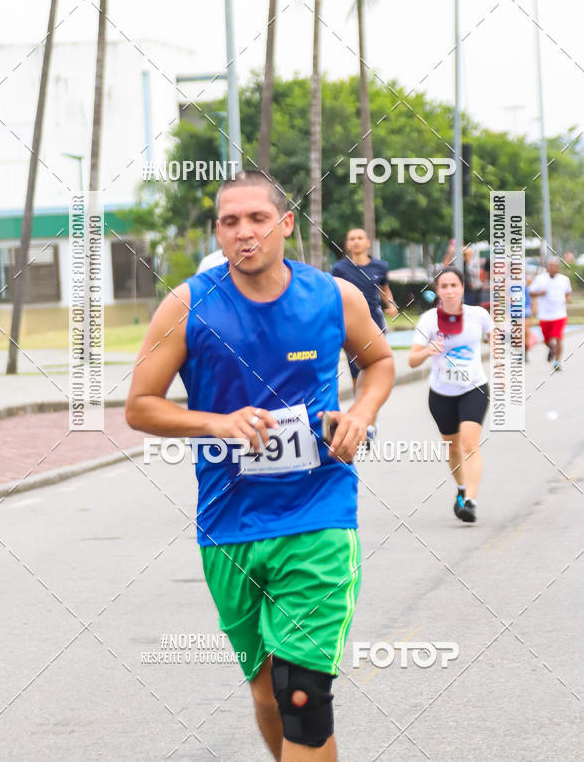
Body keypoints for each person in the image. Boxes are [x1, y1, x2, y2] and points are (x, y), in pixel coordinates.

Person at [125, 170, 395, 761]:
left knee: (302, 696)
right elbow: (139, 407)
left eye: (257, 219)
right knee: (267, 690)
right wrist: (215, 423)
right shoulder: (189, 304)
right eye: (230, 222)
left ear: (285, 223)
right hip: (229, 524)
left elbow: (378, 363)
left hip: (318, 512)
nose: (245, 232)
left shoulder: (334, 296)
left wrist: (361, 412)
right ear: (218, 232)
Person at [407, 267, 492, 524]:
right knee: (453, 447)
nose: (450, 290)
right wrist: (427, 351)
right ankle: (462, 489)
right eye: (444, 286)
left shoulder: (478, 315)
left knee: (469, 444)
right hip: (441, 393)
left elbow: (496, 340)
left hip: (474, 388)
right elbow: (411, 360)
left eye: (454, 285)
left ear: (462, 288)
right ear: (438, 290)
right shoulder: (429, 320)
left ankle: (471, 502)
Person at [331, 228, 397, 391]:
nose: (356, 241)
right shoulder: (340, 268)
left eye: (360, 238)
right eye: (352, 239)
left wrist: (391, 304)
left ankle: (371, 407)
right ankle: (358, 404)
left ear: (367, 242)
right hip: (350, 324)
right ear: (347, 244)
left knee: (374, 365)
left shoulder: (380, 266)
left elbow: (384, 289)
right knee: (356, 370)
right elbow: (334, 293)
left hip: (374, 321)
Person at [528, 257, 572, 372]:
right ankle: (552, 349)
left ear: (558, 268)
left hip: (560, 314)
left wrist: (568, 298)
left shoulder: (564, 279)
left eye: (555, 266)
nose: (552, 268)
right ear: (547, 267)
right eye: (550, 266)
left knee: (558, 338)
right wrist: (539, 293)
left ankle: (557, 362)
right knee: (546, 340)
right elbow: (531, 292)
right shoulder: (540, 279)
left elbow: (568, 292)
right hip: (544, 315)